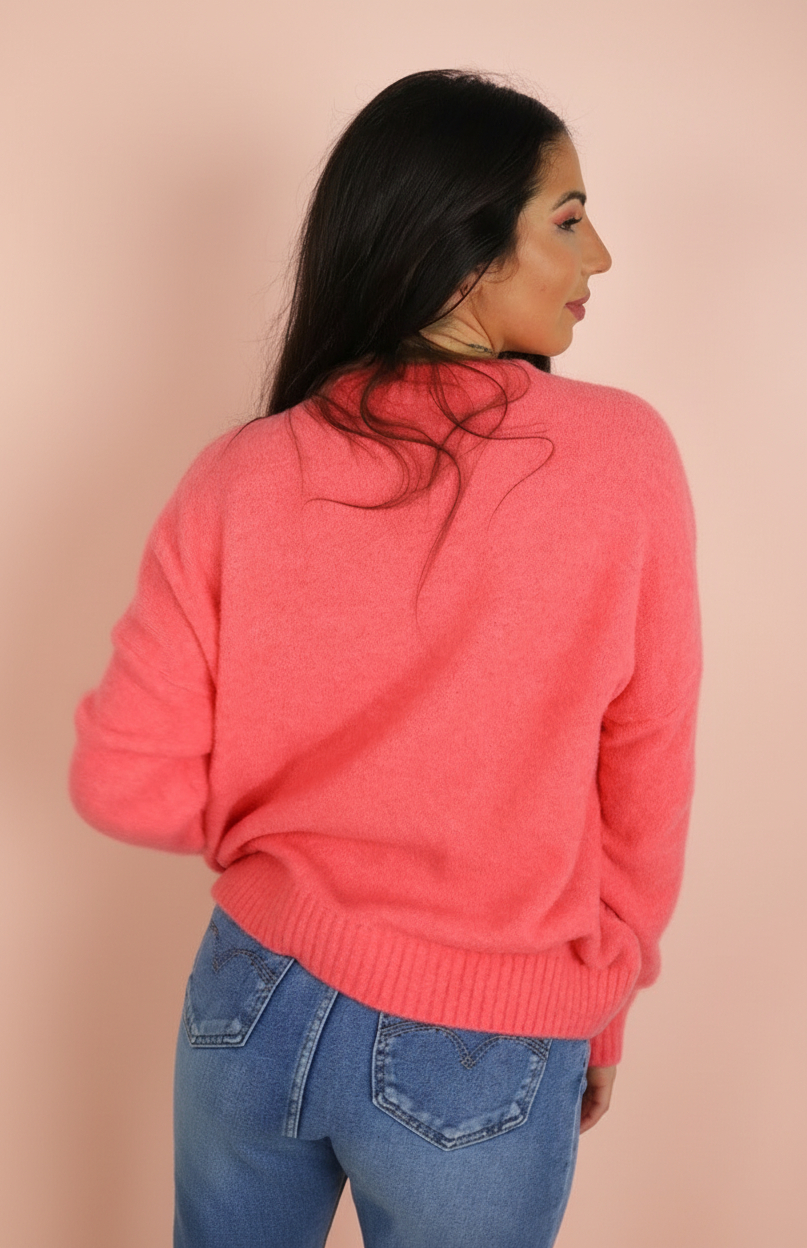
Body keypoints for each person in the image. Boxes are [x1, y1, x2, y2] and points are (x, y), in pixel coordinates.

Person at [69, 69, 702, 1248]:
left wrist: (294, 843)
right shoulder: (623, 457)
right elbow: (646, 762)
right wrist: (604, 1005)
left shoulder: (245, 470)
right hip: (482, 1035)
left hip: (249, 1002)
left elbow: (121, 780)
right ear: (459, 249)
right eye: (567, 219)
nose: (599, 257)